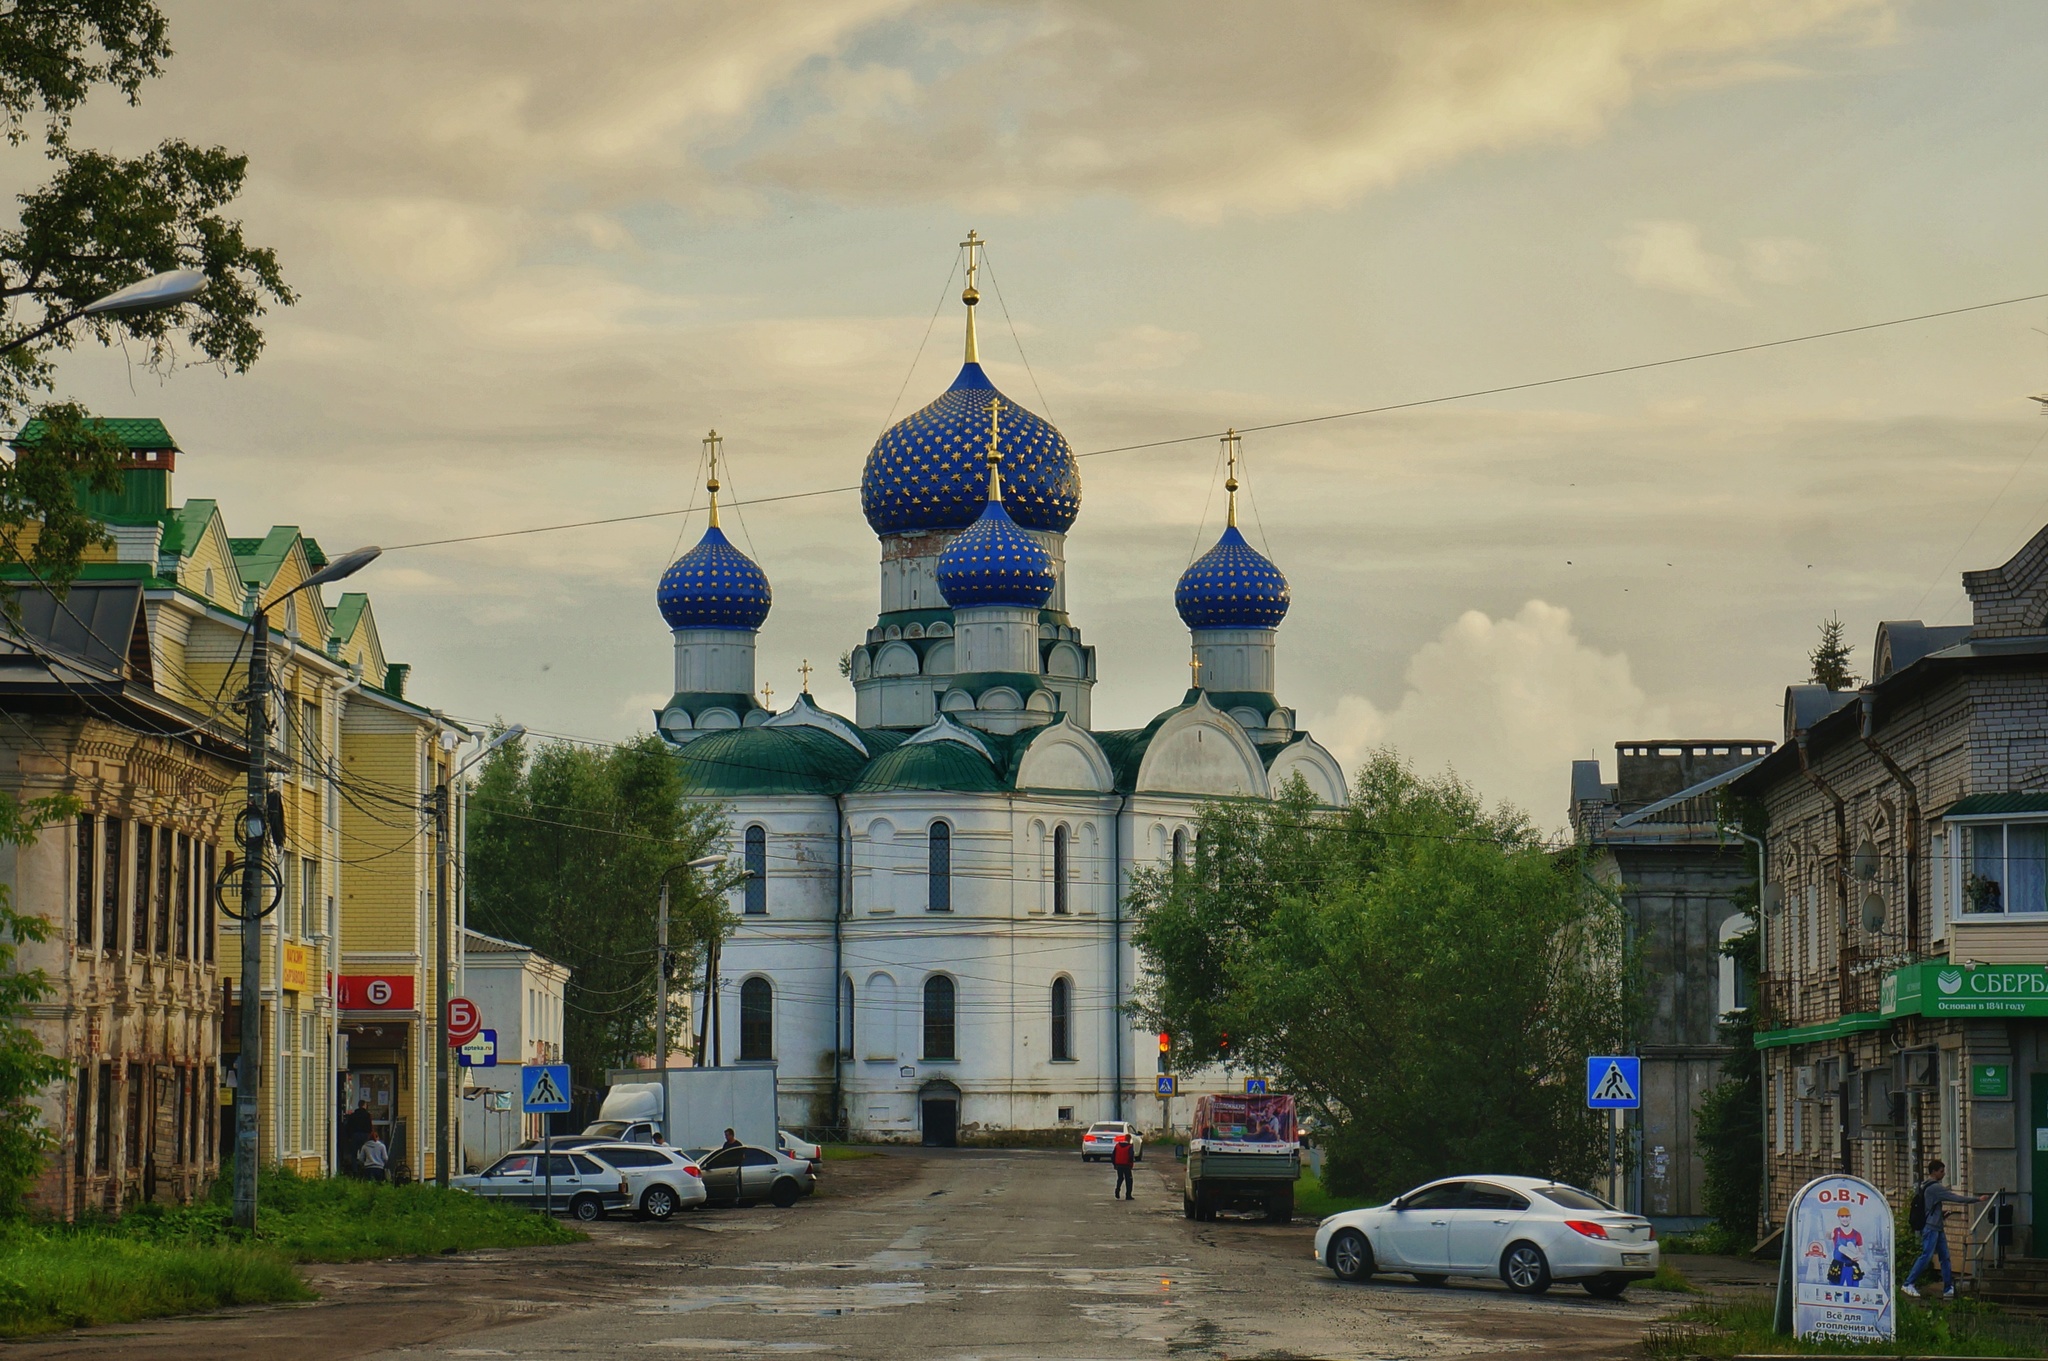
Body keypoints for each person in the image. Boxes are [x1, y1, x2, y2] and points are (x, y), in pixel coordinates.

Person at [1903, 1159, 1986, 1298]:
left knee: (1945, 1257)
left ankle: (1948, 1288)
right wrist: (1977, 1199)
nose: (1944, 1174)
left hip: (1937, 1226)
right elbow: (1955, 1198)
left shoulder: (1925, 1185)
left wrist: (1941, 1214)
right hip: (1931, 1228)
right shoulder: (1935, 1187)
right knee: (1926, 1255)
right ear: (1934, 1172)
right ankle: (1908, 1283)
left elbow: (1929, 1207)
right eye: (1941, 1171)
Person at [340, 1100, 374, 1177]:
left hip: (355, 1136)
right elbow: (370, 1127)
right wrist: (369, 1136)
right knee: (365, 1153)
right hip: (365, 1136)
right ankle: (364, 1170)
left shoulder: (353, 1115)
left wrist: (349, 1137)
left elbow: (348, 1127)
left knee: (354, 1155)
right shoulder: (367, 1115)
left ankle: (355, 1171)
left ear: (358, 1105)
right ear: (364, 1105)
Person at [1111, 1133, 1135, 1200]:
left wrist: (1114, 1164)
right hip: (1126, 1165)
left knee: (1120, 1178)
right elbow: (1131, 1156)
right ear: (1129, 1139)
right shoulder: (1130, 1146)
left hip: (1119, 1165)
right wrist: (1131, 1164)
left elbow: (1113, 1156)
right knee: (1129, 1180)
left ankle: (1117, 1190)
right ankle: (1128, 1195)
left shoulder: (1117, 1145)